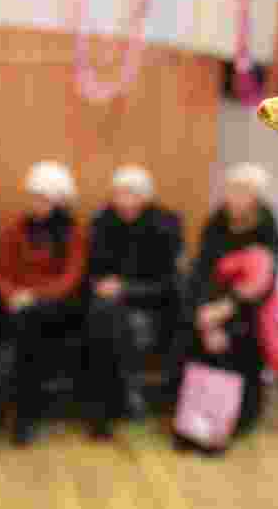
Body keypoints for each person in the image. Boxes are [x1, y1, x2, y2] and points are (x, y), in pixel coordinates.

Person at [0, 162, 86, 446]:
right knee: (22, 335)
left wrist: (33, 296)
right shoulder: (18, 228)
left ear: (59, 201)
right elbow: (1, 272)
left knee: (26, 326)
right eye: (33, 197)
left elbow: (70, 279)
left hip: (57, 307)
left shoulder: (72, 233)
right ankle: (19, 420)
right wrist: (12, 296)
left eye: (42, 198)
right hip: (19, 307)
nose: (35, 203)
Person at [175, 163, 278, 448]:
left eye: (243, 191)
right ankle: (193, 421)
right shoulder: (216, 223)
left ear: (256, 197)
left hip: (248, 307)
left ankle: (230, 420)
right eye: (232, 189)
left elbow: (263, 284)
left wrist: (226, 310)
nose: (234, 197)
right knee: (190, 332)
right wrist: (205, 315)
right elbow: (201, 272)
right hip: (210, 301)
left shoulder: (268, 229)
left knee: (241, 338)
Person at [84, 165, 183, 439]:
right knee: (104, 316)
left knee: (109, 321)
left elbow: (170, 284)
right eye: (118, 194)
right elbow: (91, 271)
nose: (124, 201)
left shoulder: (165, 225)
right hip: (107, 305)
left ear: (145, 197)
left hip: (152, 305)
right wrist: (102, 285)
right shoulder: (102, 222)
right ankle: (121, 397)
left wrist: (126, 289)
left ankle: (106, 407)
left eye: (131, 194)